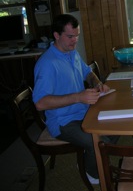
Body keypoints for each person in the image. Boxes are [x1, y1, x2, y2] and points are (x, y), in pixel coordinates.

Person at [33, 14, 119, 184]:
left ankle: (92, 156)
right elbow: (40, 103)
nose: (75, 41)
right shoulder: (47, 64)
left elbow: (88, 72)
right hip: (63, 121)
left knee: (117, 125)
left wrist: (97, 83)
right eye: (70, 36)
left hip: (83, 111)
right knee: (99, 142)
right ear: (57, 35)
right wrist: (79, 96)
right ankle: (92, 174)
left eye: (77, 35)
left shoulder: (72, 53)